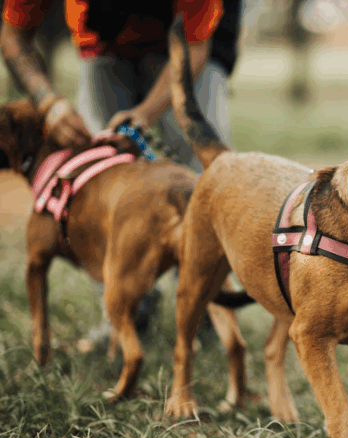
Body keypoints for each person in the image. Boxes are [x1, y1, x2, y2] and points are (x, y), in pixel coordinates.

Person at [1, 0, 240, 344]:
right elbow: (13, 34)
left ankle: (206, 308)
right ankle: (125, 309)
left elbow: (194, 46)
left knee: (200, 169)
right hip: (104, 43)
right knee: (101, 182)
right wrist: (47, 101)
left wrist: (145, 113)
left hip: (192, 35)